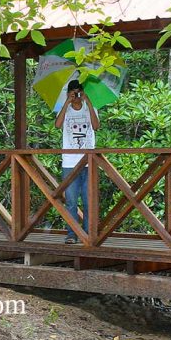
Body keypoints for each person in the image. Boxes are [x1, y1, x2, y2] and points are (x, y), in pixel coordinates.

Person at [55, 79, 99, 244]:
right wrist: (67, 102)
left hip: (88, 162)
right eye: (73, 93)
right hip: (69, 162)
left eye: (78, 92)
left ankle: (87, 234)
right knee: (71, 201)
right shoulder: (65, 110)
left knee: (88, 200)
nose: (76, 96)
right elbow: (57, 125)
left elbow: (96, 126)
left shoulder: (90, 108)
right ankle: (72, 234)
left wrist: (88, 101)